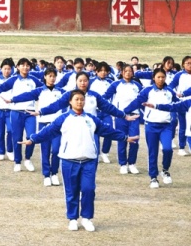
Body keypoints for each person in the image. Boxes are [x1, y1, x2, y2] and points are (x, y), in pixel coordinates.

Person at [20, 89, 139, 232]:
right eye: (76, 99)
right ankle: (72, 219)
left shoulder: (91, 119)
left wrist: (125, 138)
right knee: (71, 191)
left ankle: (87, 218)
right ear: (70, 102)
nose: (80, 102)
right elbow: (48, 131)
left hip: (89, 160)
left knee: (89, 189)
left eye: (82, 99)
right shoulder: (63, 118)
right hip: (69, 160)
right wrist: (32, 139)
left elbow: (107, 131)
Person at [123, 68, 179, 189]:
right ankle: (153, 177)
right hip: (151, 126)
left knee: (168, 149)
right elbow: (137, 102)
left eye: (163, 77)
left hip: (166, 126)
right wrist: (124, 112)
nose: (161, 79)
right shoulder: (147, 91)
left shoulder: (170, 91)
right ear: (153, 78)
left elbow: (177, 104)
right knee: (152, 152)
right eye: (158, 77)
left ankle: (165, 170)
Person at [102, 65, 143, 174]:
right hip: (121, 116)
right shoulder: (116, 84)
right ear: (122, 72)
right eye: (126, 71)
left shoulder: (137, 85)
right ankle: (123, 164)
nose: (128, 73)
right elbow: (105, 96)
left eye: (130, 71)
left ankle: (132, 163)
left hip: (134, 115)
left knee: (134, 140)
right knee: (122, 139)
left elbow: (142, 99)